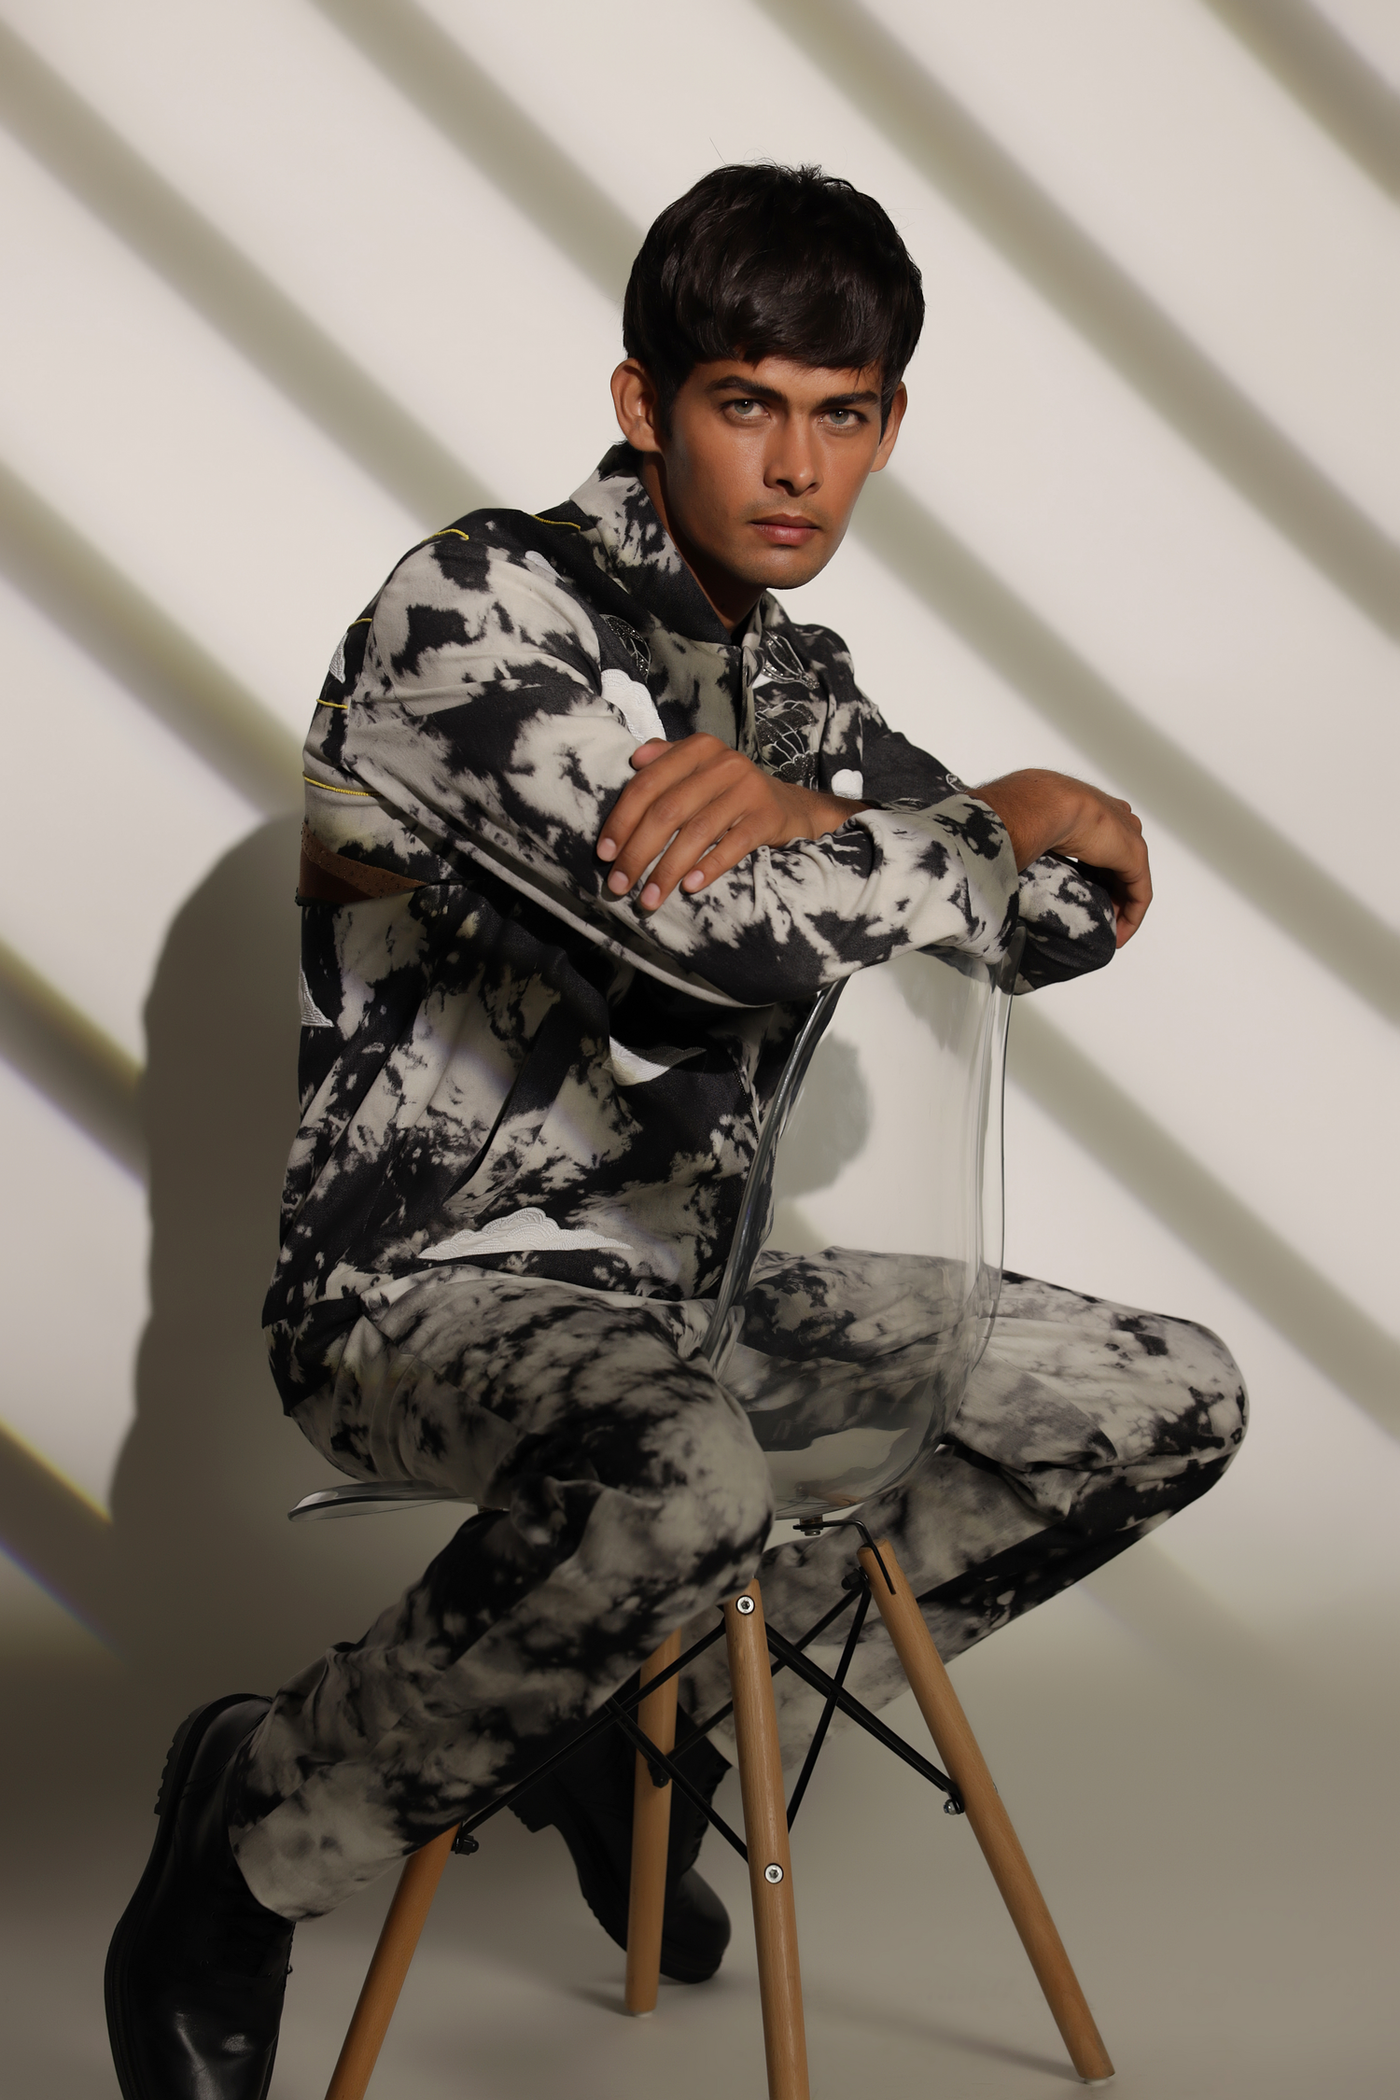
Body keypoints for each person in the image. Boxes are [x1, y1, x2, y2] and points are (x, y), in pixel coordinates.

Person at [105, 165, 1246, 2100]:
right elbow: (713, 936)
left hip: (690, 1297)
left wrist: (856, 823)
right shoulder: (472, 611)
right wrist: (995, 809)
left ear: (888, 426)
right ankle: (258, 1824)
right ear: (644, 403)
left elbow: (1061, 924)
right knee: (684, 1471)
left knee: (1159, 1397)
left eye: (842, 414)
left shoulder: (793, 685)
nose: (796, 466)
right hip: (418, 1296)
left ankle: (623, 1729)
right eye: (746, 403)